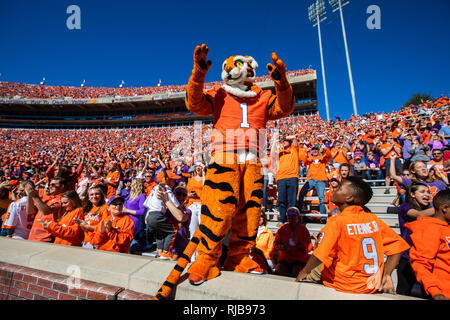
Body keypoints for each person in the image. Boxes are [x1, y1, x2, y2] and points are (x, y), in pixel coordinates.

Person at [295, 176, 410, 294]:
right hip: (370, 285)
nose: (334, 189)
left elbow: (319, 255)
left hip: (344, 284)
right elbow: (397, 248)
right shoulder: (373, 220)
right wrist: (386, 274)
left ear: (349, 198)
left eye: (339, 187)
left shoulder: (337, 221)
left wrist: (304, 272)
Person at [406, 189, 450, 299]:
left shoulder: (446, 227)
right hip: (442, 293)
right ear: (444, 208)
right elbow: (420, 264)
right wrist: (435, 291)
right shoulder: (429, 229)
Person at [396, 182, 434, 298]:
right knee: (404, 292)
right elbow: (419, 214)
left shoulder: (431, 209)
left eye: (428, 192)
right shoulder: (405, 206)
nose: (427, 194)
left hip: (426, 257)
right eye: (422, 192)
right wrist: (440, 207)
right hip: (408, 256)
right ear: (412, 194)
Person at [144, 172, 183, 259]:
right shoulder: (165, 188)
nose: (174, 183)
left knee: (159, 234)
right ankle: (166, 252)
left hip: (150, 215)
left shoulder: (155, 188)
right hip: (158, 215)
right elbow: (175, 203)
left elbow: (148, 203)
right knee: (171, 232)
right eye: (172, 180)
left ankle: (160, 252)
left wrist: (147, 216)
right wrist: (181, 207)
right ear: (166, 180)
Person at [271, 207, 312, 278]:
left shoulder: (303, 230)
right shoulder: (282, 229)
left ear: (298, 217)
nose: (291, 217)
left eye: (293, 215)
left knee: (297, 272)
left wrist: (299, 245)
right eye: (289, 215)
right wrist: (282, 247)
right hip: (285, 259)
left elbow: (309, 246)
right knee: (279, 271)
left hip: (299, 260)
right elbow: (275, 244)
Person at [26, 177, 67, 243]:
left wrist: (34, 195)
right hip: (33, 236)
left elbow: (45, 211)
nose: (50, 187)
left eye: (53, 185)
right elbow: (30, 211)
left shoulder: (62, 200)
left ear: (62, 186)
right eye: (49, 184)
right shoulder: (47, 198)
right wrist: (29, 195)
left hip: (46, 238)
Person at [298, 144, 332, 223]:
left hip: (320, 180)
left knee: (322, 198)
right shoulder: (310, 159)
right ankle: (298, 214)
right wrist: (306, 152)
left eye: (316, 149)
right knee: (301, 193)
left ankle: (323, 218)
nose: (315, 151)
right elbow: (304, 160)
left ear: (319, 151)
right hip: (311, 180)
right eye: (313, 150)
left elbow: (329, 155)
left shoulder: (323, 158)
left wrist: (325, 149)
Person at [272, 136, 299, 224]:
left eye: (286, 141)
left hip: (292, 177)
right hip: (281, 178)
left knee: (292, 201)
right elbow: (272, 153)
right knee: (281, 200)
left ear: (290, 142)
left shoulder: (294, 149)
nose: (284, 142)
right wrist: (275, 142)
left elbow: (294, 139)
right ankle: (281, 219)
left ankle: (291, 220)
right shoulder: (279, 152)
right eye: (283, 141)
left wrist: (283, 136)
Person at [76, 184, 108, 249]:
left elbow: (104, 228)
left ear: (101, 196)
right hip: (86, 241)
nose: (94, 196)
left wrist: (87, 226)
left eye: (97, 194)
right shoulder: (87, 208)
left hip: (97, 242)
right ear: (88, 197)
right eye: (91, 194)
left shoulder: (105, 208)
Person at [185, 162, 204, 261]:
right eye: (197, 166)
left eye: (200, 166)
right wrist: (190, 195)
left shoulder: (205, 179)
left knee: (202, 232)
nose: (198, 168)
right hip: (193, 205)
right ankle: (193, 257)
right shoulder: (191, 180)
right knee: (192, 232)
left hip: (202, 205)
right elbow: (187, 194)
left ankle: (201, 256)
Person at [122, 178, 147, 252]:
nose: (130, 185)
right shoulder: (130, 194)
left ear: (136, 185)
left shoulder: (142, 196)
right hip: (126, 219)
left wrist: (127, 210)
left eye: (132, 184)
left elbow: (142, 211)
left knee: (128, 239)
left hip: (133, 220)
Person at [170, 185, 192, 259]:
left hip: (181, 251)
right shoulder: (166, 209)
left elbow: (181, 217)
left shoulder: (188, 211)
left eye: (184, 195)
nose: (181, 197)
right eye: (178, 193)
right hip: (167, 250)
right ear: (173, 195)